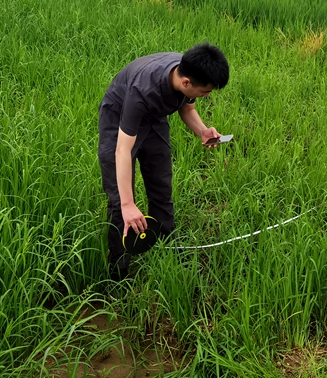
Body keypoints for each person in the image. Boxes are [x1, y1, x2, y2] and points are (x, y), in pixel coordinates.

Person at [98, 43, 230, 280]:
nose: (207, 97)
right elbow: (122, 151)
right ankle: (119, 270)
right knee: (120, 201)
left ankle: (167, 245)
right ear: (187, 83)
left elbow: (187, 108)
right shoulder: (143, 90)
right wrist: (129, 205)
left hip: (154, 117)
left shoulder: (186, 72)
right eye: (205, 92)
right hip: (119, 116)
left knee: (161, 183)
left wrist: (202, 131)